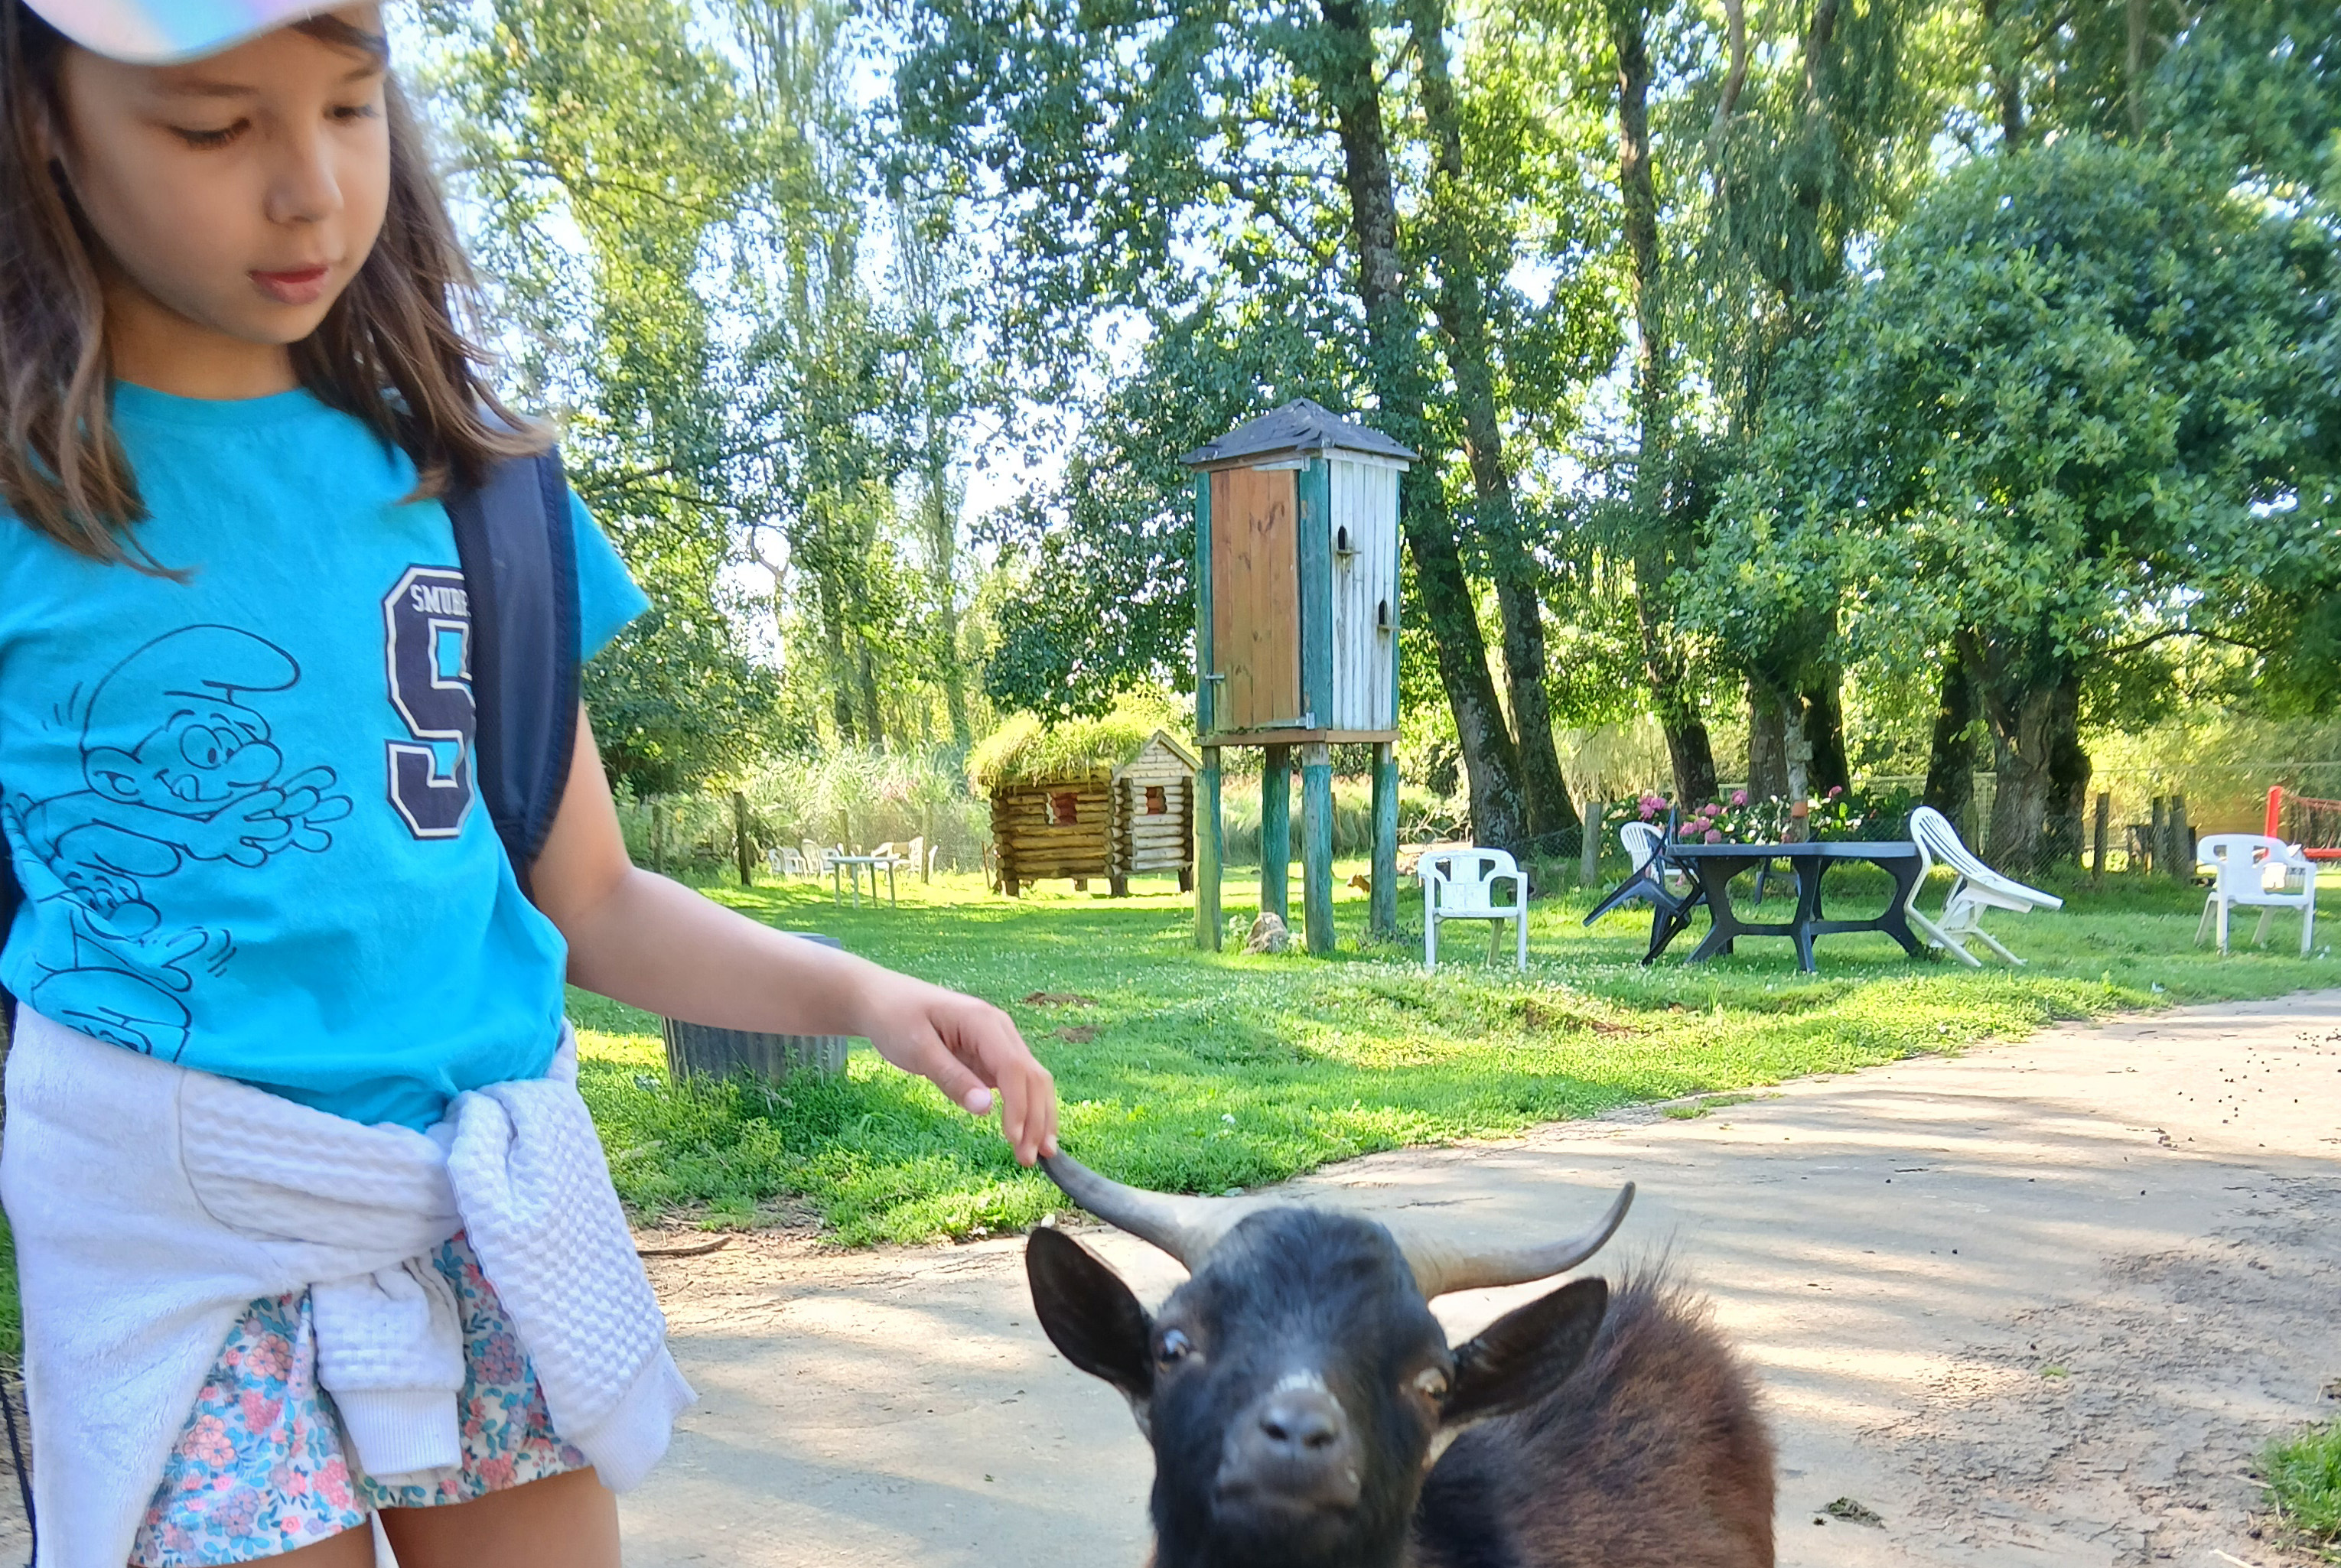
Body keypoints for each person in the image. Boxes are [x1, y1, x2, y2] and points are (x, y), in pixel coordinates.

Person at [0, 2, 1059, 1563]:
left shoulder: (482, 495)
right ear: (48, 124)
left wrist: (866, 995)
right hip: (178, 1241)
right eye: (216, 127)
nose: (308, 190)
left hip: (488, 1215)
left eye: (351, 109)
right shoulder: (30, 506)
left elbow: (594, 898)